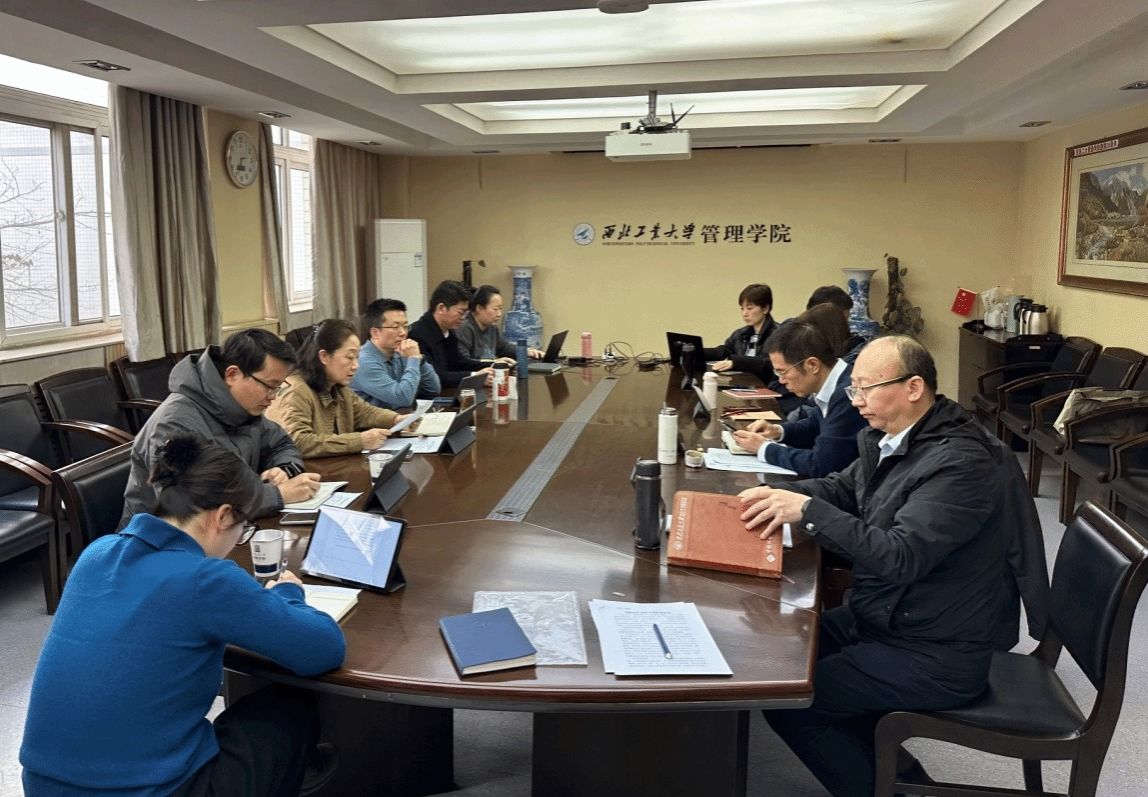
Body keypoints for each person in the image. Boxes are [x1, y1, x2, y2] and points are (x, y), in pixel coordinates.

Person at [736, 335, 1015, 797]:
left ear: (913, 388)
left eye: (867, 389)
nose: (856, 401)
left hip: (936, 649)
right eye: (854, 389)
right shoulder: (891, 439)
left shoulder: (960, 463)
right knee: (785, 647)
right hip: (891, 616)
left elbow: (899, 556)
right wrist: (778, 495)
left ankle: (888, 788)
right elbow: (842, 489)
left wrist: (807, 512)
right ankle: (890, 769)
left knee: (792, 701)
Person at [21, 435, 345, 796]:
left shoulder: (98, 553)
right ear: (223, 516)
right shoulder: (205, 579)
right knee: (290, 708)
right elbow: (324, 649)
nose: (240, 537)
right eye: (244, 527)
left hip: (42, 785)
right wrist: (288, 593)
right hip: (146, 792)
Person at [122, 328, 320, 525]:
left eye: (278, 387)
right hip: (159, 537)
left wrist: (282, 469)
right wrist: (277, 495)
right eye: (269, 386)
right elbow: (194, 506)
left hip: (228, 529)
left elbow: (282, 443)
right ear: (232, 374)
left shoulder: (243, 407)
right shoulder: (175, 423)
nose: (273, 396)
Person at [731, 321, 865, 477]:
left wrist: (763, 448)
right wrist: (777, 431)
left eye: (783, 372)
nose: (781, 380)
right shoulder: (835, 382)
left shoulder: (847, 394)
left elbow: (822, 465)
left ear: (812, 365)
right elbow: (815, 424)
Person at [267, 319, 404, 457]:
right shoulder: (295, 391)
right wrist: (359, 441)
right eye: (349, 357)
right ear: (324, 356)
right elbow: (297, 442)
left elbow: (365, 413)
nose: (356, 365)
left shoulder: (338, 387)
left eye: (357, 357)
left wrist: (397, 419)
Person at [350, 298, 441, 409]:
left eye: (405, 326)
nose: (403, 333)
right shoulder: (363, 361)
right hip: (376, 420)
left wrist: (419, 359)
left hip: (401, 417)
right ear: (375, 333)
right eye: (395, 327)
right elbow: (402, 399)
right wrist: (413, 359)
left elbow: (433, 389)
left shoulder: (401, 353)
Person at [408, 280, 494, 388]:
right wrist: (475, 376)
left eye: (466, 313)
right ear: (441, 308)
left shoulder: (448, 330)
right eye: (461, 312)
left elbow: (459, 362)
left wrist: (494, 365)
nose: (463, 318)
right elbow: (437, 376)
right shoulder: (417, 334)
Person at [455, 284, 544, 362]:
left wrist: (526, 352)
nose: (499, 314)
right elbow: (464, 361)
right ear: (479, 308)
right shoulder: (464, 328)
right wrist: (495, 362)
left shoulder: (492, 327)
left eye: (500, 309)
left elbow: (504, 348)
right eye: (495, 309)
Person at [702, 283, 778, 373]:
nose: (744, 314)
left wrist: (736, 363)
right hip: (742, 380)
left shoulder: (778, 334)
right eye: (742, 308)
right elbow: (724, 352)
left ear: (765, 308)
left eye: (749, 308)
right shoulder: (740, 334)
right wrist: (698, 352)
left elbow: (769, 363)